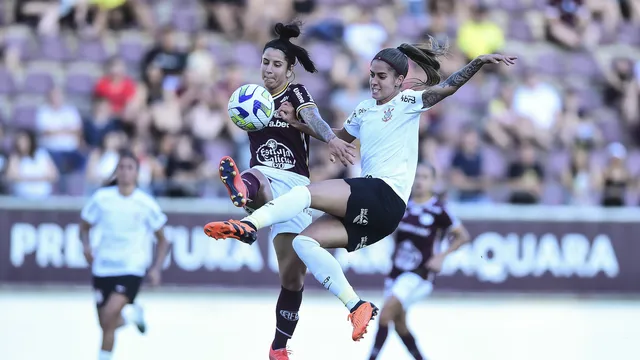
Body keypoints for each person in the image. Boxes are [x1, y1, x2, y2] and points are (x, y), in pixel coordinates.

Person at [205, 40, 516, 343]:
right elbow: (339, 136)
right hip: (381, 219)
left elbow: (447, 87)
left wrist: (478, 62)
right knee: (305, 242)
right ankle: (357, 306)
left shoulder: (408, 102)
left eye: (382, 77)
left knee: (307, 194)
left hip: (384, 192)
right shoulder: (365, 109)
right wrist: (297, 125)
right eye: (371, 75)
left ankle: (248, 224)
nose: (374, 82)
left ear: (399, 80)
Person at [215, 21, 356, 360]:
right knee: (255, 178)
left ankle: (278, 347)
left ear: (290, 71)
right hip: (264, 176)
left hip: (296, 188)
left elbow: (316, 119)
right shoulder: (252, 98)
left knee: (293, 279)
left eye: (277, 64)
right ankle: (243, 194)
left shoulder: (296, 94)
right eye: (265, 62)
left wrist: (331, 138)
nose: (268, 70)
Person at [368, 163, 470, 360]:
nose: (419, 181)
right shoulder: (402, 204)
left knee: (385, 314)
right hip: (396, 272)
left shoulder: (438, 210)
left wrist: (441, 256)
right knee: (399, 323)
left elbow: (462, 236)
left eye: (424, 177)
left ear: (433, 182)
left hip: (419, 274)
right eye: (417, 177)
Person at [80, 149, 170, 360]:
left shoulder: (145, 203)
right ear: (116, 171)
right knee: (105, 323)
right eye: (121, 167)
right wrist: (86, 246)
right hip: (103, 265)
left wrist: (156, 268)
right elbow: (84, 226)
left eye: (130, 167)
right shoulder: (102, 198)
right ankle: (132, 315)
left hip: (131, 266)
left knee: (110, 314)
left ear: (137, 173)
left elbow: (163, 239)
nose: (125, 172)